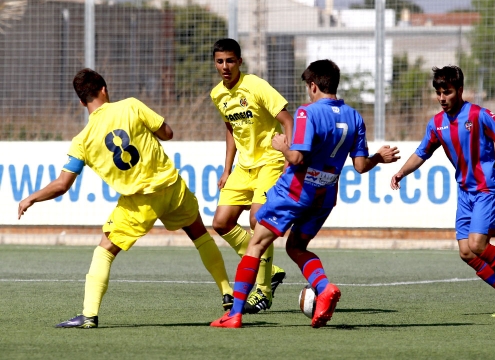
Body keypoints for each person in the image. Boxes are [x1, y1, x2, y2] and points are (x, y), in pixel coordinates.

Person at [17, 69, 233, 328]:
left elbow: (62, 185)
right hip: (171, 187)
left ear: (81, 101)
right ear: (104, 90)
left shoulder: (82, 141)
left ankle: (89, 314)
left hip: (138, 202)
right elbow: (167, 133)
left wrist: (31, 198)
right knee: (200, 234)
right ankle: (227, 293)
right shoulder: (131, 105)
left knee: (105, 250)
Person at [210, 59, 400, 328]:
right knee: (296, 246)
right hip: (325, 196)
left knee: (256, 243)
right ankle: (323, 289)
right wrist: (378, 158)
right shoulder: (354, 116)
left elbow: (297, 158)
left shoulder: (306, 113)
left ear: (313, 86)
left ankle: (235, 314)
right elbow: (359, 166)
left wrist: (281, 147)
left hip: (296, 191)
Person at [390, 65, 495, 317]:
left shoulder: (479, 114)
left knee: (478, 245)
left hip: (487, 188)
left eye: (446, 92)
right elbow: (421, 153)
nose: (442, 98)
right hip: (465, 192)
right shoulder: (437, 123)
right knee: (466, 252)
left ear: (459, 90)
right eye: (438, 93)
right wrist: (401, 171)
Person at [210, 38, 294, 314]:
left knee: (258, 219)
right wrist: (226, 169)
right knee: (221, 223)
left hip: (270, 161)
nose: (225, 66)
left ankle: (264, 292)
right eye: (220, 61)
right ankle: (268, 268)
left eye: (230, 61)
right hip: (244, 168)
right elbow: (231, 130)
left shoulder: (255, 85)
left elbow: (287, 119)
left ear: (240, 62)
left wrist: (289, 158)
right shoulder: (217, 94)